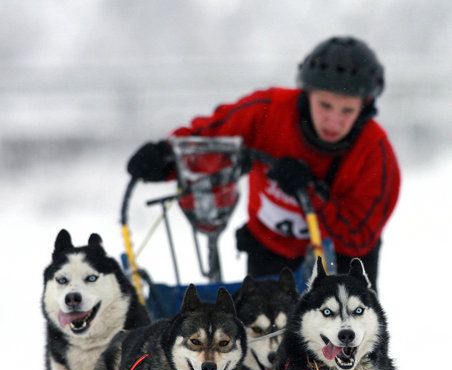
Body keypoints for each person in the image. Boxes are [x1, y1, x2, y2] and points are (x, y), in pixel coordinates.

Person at [127, 36, 400, 290]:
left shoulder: (376, 155)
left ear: (365, 107)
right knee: (265, 336)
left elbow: (359, 237)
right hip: (270, 251)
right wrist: (165, 158)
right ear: (307, 94)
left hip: (340, 261)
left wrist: (309, 193)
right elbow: (210, 140)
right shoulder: (267, 111)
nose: (333, 121)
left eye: (347, 111)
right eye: (325, 106)